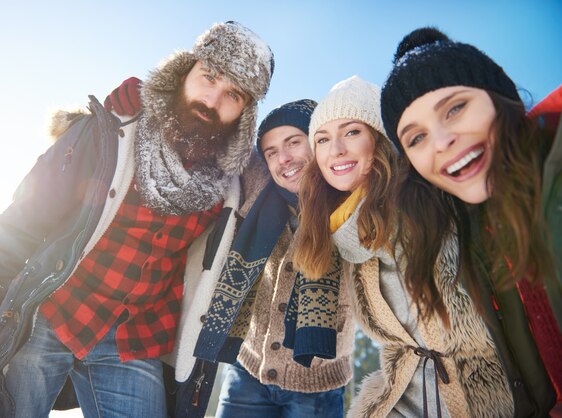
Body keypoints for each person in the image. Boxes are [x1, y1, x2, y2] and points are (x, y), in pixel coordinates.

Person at [0, 21, 274, 418]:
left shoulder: (235, 184)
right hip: (53, 310)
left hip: (135, 337)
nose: (211, 99)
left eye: (232, 94)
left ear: (245, 113)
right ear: (187, 69)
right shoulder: (109, 134)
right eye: (209, 77)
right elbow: (15, 228)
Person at [289, 75, 516, 417]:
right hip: (402, 397)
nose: (335, 149)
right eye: (322, 139)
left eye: (352, 132)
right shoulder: (337, 229)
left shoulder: (428, 200)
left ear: (379, 140)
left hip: (485, 394)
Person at [380, 27, 562, 416]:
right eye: (416, 138)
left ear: (500, 98)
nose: (442, 140)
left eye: (455, 108)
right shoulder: (460, 232)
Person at [192, 99, 356, 418]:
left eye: (294, 142)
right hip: (248, 373)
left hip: (317, 388)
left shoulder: (352, 202)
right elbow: (221, 136)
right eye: (270, 152)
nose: (283, 158)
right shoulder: (260, 190)